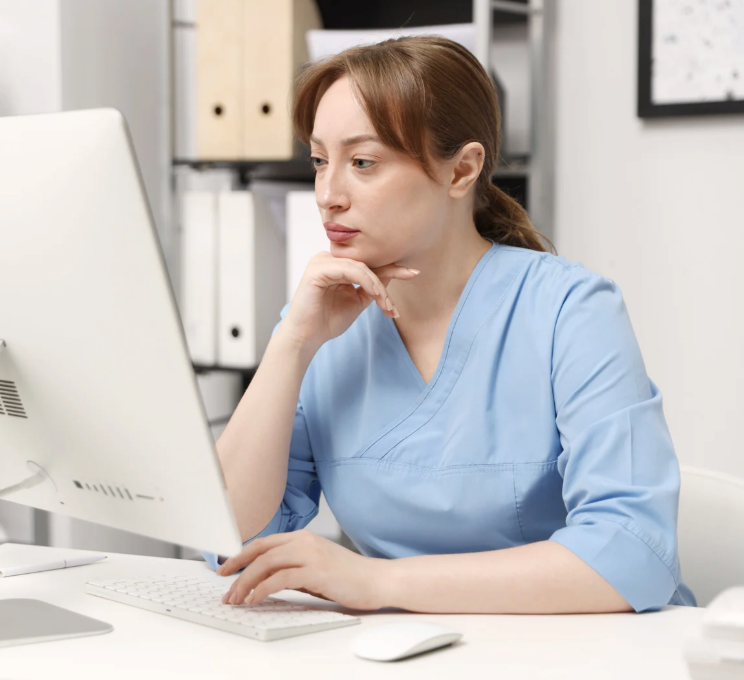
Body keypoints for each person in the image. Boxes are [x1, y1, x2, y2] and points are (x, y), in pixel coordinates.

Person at [207, 36, 695, 614]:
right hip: (408, 648)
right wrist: (291, 344)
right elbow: (229, 542)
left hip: (591, 646)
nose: (327, 195)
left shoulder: (571, 310)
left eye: (362, 163)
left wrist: (378, 582)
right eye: (319, 161)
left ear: (461, 170)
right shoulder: (320, 327)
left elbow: (633, 553)